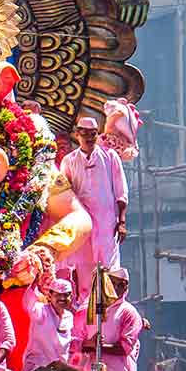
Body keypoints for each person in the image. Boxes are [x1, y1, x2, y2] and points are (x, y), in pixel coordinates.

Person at [59, 116, 129, 300]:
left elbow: (121, 191)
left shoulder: (110, 157)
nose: (89, 138)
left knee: (108, 267)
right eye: (84, 134)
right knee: (82, 269)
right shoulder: (69, 161)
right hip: (82, 224)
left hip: (107, 223)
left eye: (92, 134)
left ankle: (110, 312)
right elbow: (63, 193)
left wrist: (121, 221)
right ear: (77, 134)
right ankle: (84, 316)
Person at [75, 267, 143, 371]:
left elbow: (125, 347)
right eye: (114, 283)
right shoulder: (89, 311)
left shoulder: (129, 313)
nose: (119, 288)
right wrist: (89, 345)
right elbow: (76, 342)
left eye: (123, 285)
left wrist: (98, 347)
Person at [20, 276, 76, 371]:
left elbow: (67, 342)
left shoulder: (69, 316)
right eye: (58, 295)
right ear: (50, 295)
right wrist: (35, 280)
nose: (62, 298)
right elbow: (29, 302)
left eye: (66, 295)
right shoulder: (40, 310)